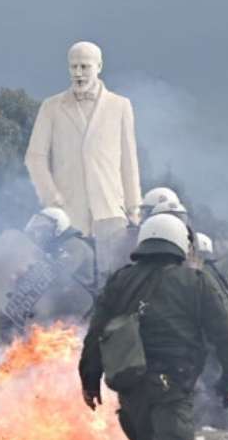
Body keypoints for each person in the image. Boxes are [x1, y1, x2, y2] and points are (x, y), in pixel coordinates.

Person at [79, 214, 228, 440]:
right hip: (175, 381)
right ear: (180, 244)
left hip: (130, 382)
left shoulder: (120, 281)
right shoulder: (196, 282)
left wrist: (89, 378)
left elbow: (96, 334)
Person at [25, 41, 141, 275]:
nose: (78, 73)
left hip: (110, 210)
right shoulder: (51, 107)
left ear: (99, 66)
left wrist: (133, 208)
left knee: (114, 280)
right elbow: (35, 156)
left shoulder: (120, 106)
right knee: (71, 285)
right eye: (73, 66)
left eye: (84, 66)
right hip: (68, 214)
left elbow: (128, 162)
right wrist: (51, 198)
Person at [193, 233, 228, 429]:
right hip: (210, 357)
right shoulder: (212, 277)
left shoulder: (203, 279)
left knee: (207, 409)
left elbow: (227, 326)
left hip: (205, 358)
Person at [22, 207, 96, 325]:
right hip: (63, 299)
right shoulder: (56, 246)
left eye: (43, 229)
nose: (39, 234)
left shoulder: (75, 245)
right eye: (37, 230)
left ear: (58, 227)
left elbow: (60, 275)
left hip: (78, 303)